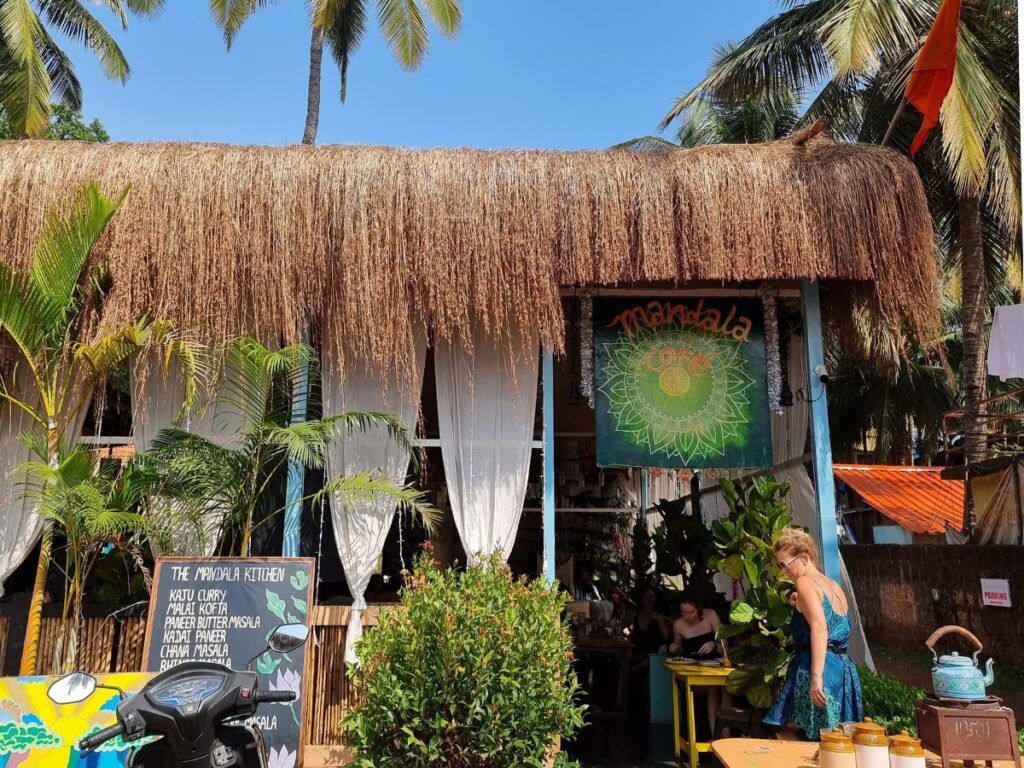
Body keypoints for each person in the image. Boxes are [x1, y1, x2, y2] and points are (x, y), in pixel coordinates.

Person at [764, 528, 863, 740]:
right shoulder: (834, 586)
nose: (783, 571)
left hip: (815, 669)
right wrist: (799, 604)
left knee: (796, 736)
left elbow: (819, 626)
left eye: (785, 564)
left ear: (804, 558)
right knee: (838, 742)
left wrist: (816, 678)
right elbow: (834, 624)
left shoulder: (805, 582)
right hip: (843, 671)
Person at [669, 593, 728, 736]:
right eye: (684, 612)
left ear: (699, 609)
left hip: (716, 665)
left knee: (727, 687)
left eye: (691, 612)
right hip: (695, 672)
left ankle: (726, 733)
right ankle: (716, 734)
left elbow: (725, 646)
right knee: (713, 686)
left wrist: (713, 644)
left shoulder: (711, 616)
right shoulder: (678, 625)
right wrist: (674, 648)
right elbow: (680, 648)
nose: (687, 616)